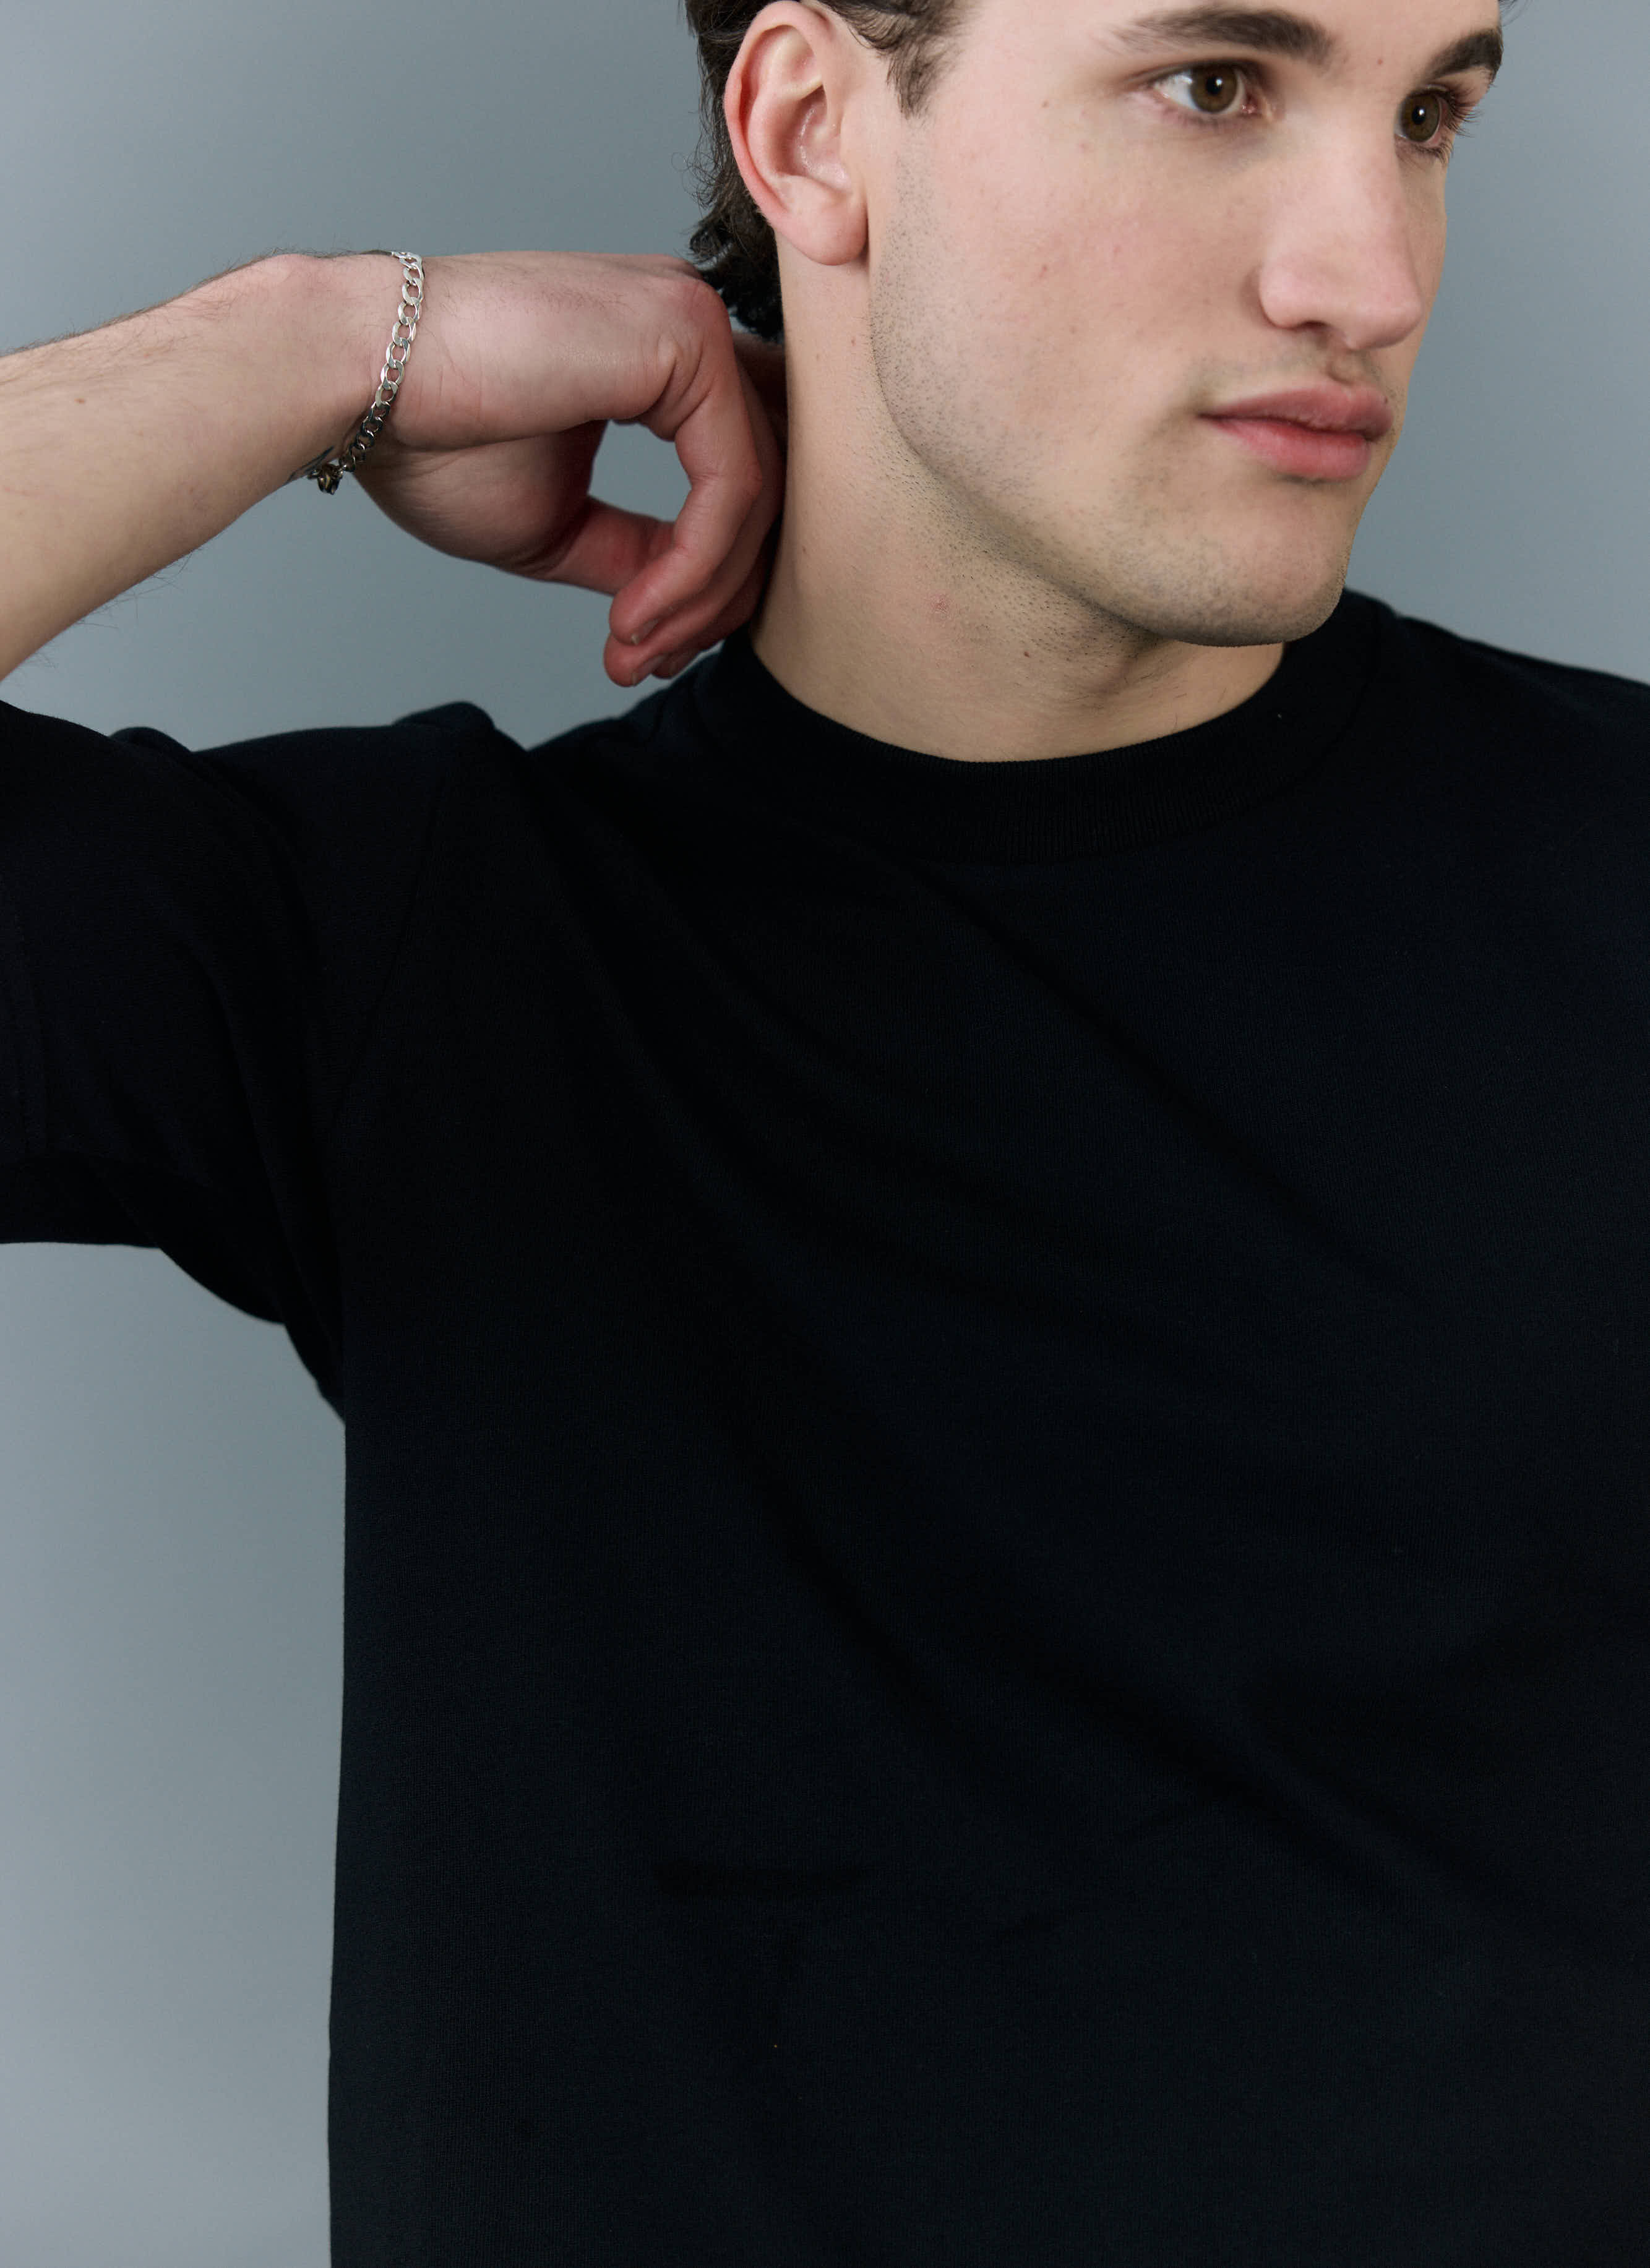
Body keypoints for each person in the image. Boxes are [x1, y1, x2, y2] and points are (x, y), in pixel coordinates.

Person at [2, 0, 1645, 2260]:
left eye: (1431, 113)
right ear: (808, 129)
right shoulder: (412, 949)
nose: (1368, 275)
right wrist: (301, 345)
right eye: (1214, 85)